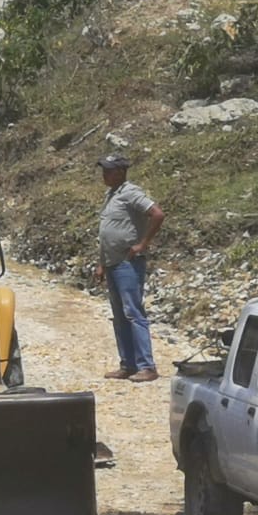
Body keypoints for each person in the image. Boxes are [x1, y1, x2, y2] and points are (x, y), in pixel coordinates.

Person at [95, 153, 164, 382]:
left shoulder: (130, 192)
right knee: (119, 315)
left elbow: (157, 214)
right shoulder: (110, 195)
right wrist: (101, 263)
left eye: (109, 170)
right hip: (112, 263)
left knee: (133, 313)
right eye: (104, 170)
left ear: (121, 172)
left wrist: (143, 244)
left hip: (128, 263)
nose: (104, 174)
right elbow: (107, 233)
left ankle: (147, 366)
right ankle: (128, 364)